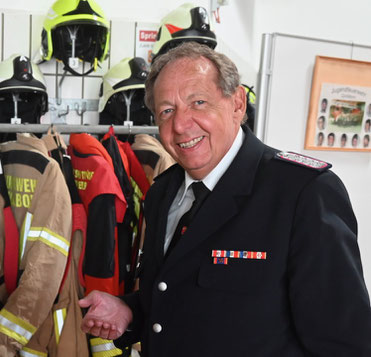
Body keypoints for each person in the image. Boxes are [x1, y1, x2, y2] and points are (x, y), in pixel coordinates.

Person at [78, 42, 371, 356]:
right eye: (166, 111)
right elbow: (178, 293)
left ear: (237, 104)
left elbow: (345, 343)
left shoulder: (303, 193)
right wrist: (130, 310)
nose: (180, 125)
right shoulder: (162, 192)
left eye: (199, 102)